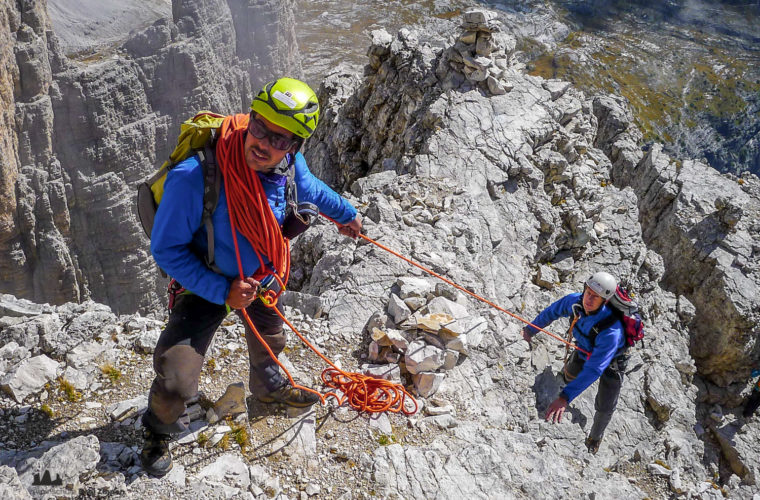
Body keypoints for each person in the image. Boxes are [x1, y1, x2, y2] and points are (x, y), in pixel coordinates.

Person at [139, 77, 362, 476]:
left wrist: (347, 217)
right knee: (175, 376)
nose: (264, 143)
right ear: (251, 118)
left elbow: (314, 192)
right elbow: (166, 248)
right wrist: (222, 290)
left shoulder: (291, 166)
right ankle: (158, 431)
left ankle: (270, 388)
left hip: (261, 275)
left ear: (294, 146)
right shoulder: (195, 177)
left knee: (271, 338)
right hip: (206, 282)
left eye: (280, 139)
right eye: (259, 128)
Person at [522, 271, 626, 454]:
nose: (589, 299)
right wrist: (530, 330)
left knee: (605, 405)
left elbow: (595, 369)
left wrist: (565, 398)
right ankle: (568, 382)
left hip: (612, 364)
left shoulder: (612, 331)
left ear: (605, 301)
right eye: (588, 293)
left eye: (596, 297)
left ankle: (594, 438)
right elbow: (551, 313)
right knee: (570, 374)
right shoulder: (574, 302)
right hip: (584, 347)